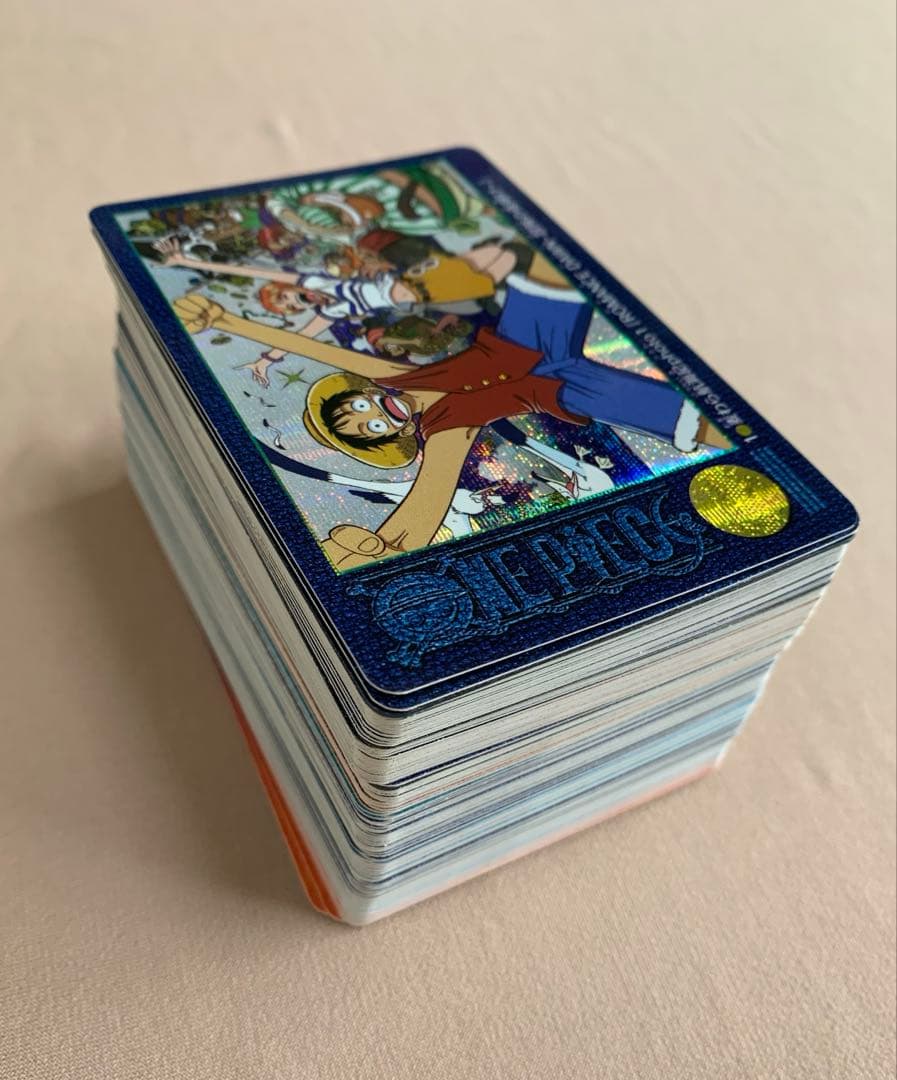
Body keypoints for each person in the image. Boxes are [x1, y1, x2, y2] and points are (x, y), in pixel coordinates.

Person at [174, 268, 727, 569]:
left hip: (527, 335)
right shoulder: (444, 431)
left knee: (548, 269)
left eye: (358, 408)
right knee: (690, 423)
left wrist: (225, 319)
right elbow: (427, 501)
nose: (372, 414)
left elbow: (315, 349)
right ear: (388, 439)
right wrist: (386, 547)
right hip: (565, 389)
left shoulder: (394, 374)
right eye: (367, 429)